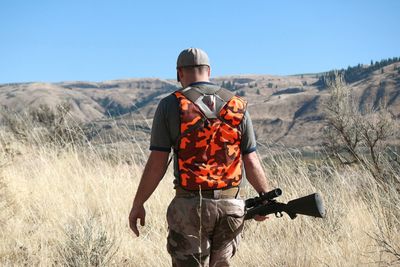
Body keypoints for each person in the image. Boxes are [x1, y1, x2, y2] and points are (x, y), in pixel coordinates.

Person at [129, 48, 270, 267]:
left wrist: (139, 203)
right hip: (231, 207)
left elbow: (157, 162)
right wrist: (265, 197)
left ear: (179, 73)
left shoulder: (170, 105)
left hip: (191, 207)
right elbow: (250, 160)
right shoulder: (237, 105)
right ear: (209, 71)